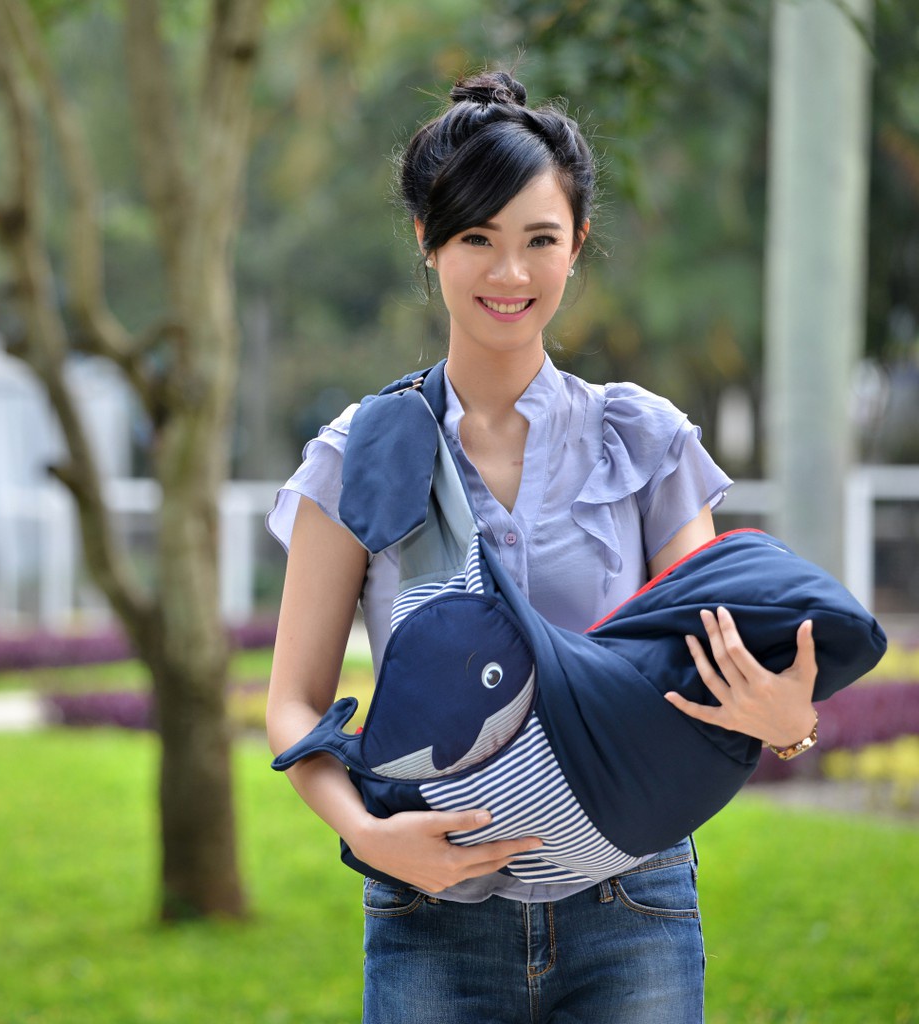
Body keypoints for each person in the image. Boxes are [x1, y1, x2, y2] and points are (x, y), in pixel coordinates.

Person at [265, 70, 819, 1024]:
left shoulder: (643, 442)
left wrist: (786, 720)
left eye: (539, 240)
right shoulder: (361, 453)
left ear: (578, 244)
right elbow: (291, 703)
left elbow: (709, 658)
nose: (510, 274)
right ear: (427, 241)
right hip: (429, 917)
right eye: (476, 238)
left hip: (632, 907)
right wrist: (368, 836)